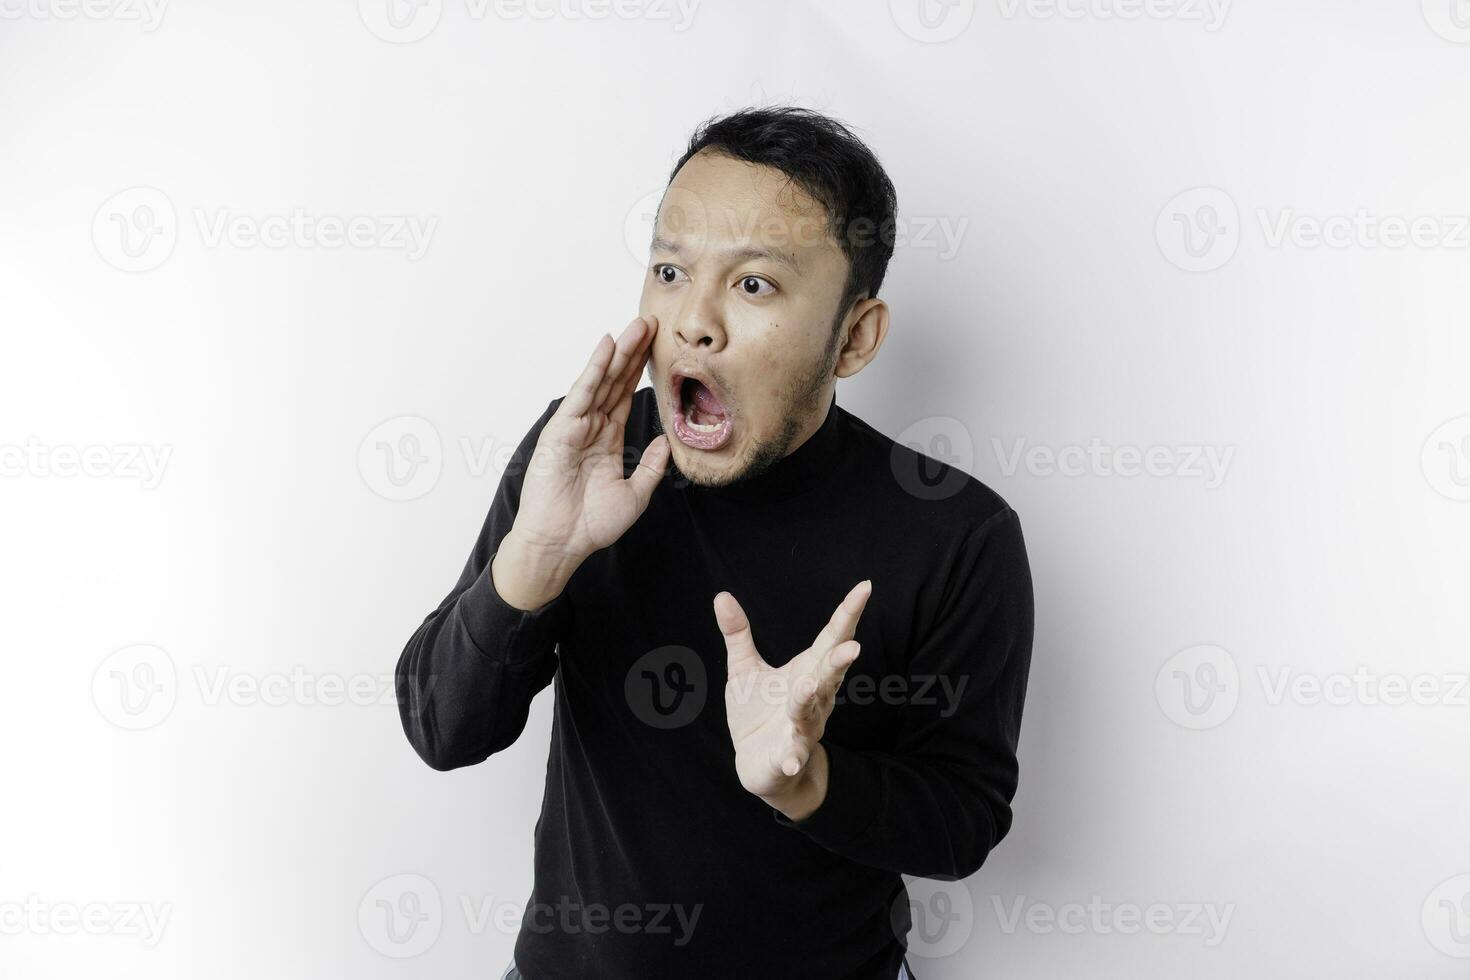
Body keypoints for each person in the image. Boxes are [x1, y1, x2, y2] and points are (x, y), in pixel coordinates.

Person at [396, 107, 1035, 979]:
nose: (693, 321)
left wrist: (808, 782)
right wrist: (536, 563)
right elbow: (443, 728)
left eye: (755, 284)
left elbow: (964, 821)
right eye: (669, 269)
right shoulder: (586, 452)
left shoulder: (960, 535)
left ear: (855, 336)